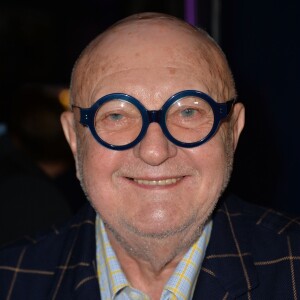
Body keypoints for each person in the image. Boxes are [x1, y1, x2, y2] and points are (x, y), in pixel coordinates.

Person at [0, 12, 299, 300]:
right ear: (74, 138)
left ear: (233, 131)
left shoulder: (291, 268)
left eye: (188, 111)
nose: (154, 151)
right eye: (117, 116)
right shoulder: (11, 280)